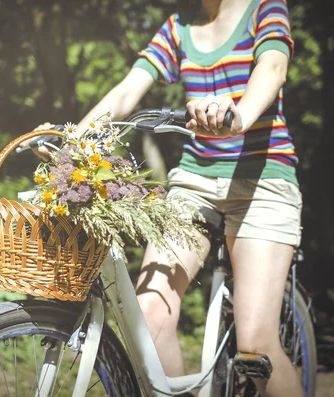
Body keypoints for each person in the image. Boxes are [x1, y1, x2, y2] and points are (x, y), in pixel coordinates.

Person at [30, 1, 302, 396]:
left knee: (256, 347)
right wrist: (73, 142)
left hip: (262, 183)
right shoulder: (178, 27)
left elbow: (273, 68)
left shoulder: (264, 8)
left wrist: (239, 117)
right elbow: (127, 91)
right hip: (194, 183)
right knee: (149, 323)